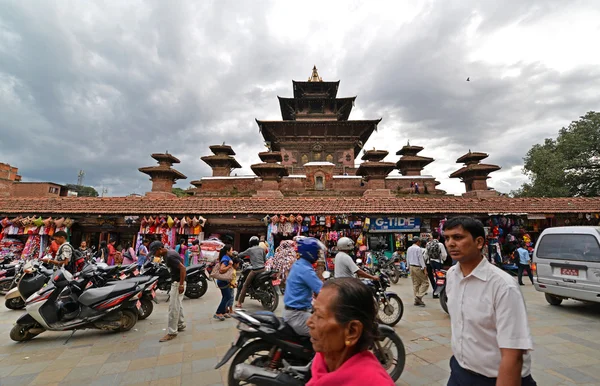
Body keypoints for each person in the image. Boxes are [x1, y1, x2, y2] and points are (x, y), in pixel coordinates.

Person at [444, 216, 536, 386]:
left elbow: (513, 353)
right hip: (460, 372)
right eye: (447, 238)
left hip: (497, 378)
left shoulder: (503, 286)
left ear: (479, 242)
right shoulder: (452, 275)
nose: (450, 243)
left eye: (458, 237)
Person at [306, 277, 394, 386]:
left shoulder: (374, 382)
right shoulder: (323, 359)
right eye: (313, 311)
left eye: (319, 316)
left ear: (352, 331)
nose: (309, 322)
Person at [283, 237, 324, 336]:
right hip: (298, 315)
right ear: (311, 252)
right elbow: (322, 291)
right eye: (317, 252)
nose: (318, 255)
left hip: (292, 312)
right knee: (325, 333)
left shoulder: (299, 264)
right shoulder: (306, 270)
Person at [154, 242, 187, 342]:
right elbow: (181, 262)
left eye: (154, 252)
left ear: (160, 249)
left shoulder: (169, 256)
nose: (154, 254)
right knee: (177, 304)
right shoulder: (169, 253)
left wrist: (181, 284)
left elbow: (183, 268)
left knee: (173, 308)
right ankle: (181, 324)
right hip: (177, 282)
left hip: (177, 284)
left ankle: (172, 332)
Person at [235, 236, 266, 308]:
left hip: (255, 270)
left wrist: (236, 255)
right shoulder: (262, 249)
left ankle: (239, 303)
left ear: (251, 243)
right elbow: (265, 260)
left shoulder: (250, 250)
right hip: (263, 269)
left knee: (245, 285)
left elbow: (241, 255)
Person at [424, 231, 447, 298]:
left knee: (434, 276)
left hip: (431, 262)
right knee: (439, 277)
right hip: (438, 262)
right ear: (438, 237)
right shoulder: (440, 244)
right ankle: (436, 293)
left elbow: (426, 254)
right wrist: (443, 260)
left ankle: (435, 290)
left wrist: (426, 262)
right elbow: (444, 254)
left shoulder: (428, 244)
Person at [215, 244, 235, 320]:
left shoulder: (226, 257)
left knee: (226, 296)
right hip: (222, 281)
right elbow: (221, 269)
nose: (232, 251)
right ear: (227, 251)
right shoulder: (225, 259)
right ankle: (218, 312)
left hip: (224, 281)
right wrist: (229, 266)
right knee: (227, 296)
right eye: (231, 250)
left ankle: (223, 312)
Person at [407, 237, 429, 306]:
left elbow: (407, 258)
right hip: (417, 267)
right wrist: (425, 269)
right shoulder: (418, 249)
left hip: (411, 266)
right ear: (418, 242)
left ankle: (416, 300)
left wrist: (408, 267)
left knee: (415, 283)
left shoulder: (409, 248)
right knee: (425, 282)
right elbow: (421, 259)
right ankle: (418, 297)